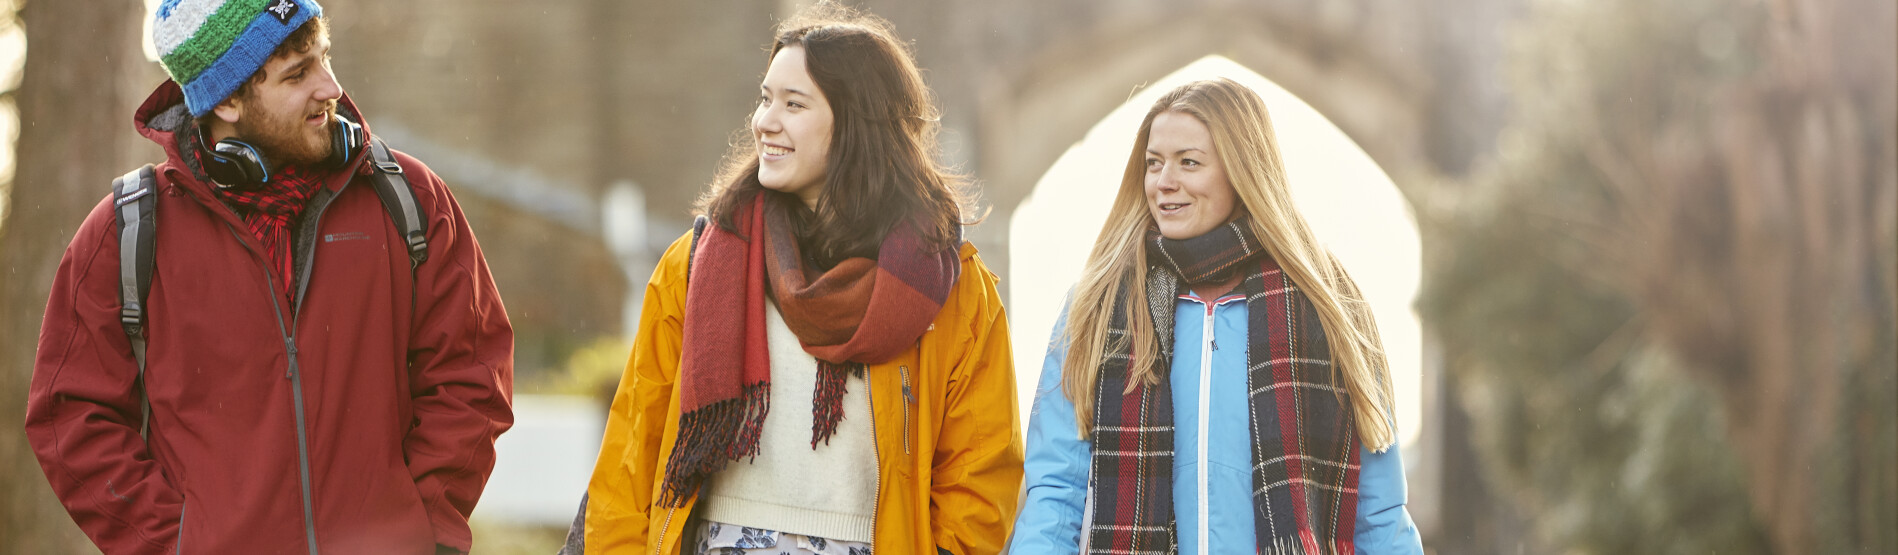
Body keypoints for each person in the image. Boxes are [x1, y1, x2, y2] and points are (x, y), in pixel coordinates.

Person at [24, 2, 515, 553]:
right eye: (297, 73)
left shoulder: (407, 199)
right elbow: (70, 416)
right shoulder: (127, 233)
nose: (330, 87)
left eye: (323, 57)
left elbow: (473, 374)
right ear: (227, 100)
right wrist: (175, 543)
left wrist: (423, 530)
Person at [572, 4, 1021, 555]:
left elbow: (980, 475)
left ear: (857, 122)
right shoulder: (696, 266)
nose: (764, 121)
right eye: (765, 99)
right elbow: (631, 454)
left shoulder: (951, 290)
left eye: (793, 104)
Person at [1008, 78, 1424, 554]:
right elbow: (1056, 494)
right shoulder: (1098, 306)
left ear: (1242, 171)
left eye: (1189, 162)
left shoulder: (1327, 306)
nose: (1164, 182)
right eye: (1153, 163)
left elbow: (1377, 512)